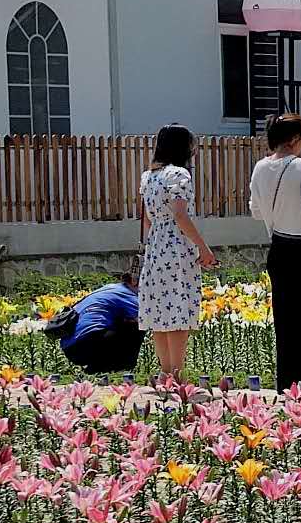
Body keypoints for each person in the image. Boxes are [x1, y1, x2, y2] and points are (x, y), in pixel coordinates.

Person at [249, 112, 301, 401]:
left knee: (286, 318)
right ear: (296, 138)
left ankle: (289, 383)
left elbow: (255, 210)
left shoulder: (260, 167)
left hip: (279, 247)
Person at [138, 124, 214, 381]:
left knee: (159, 312)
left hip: (155, 247)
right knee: (179, 309)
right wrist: (203, 248)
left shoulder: (148, 176)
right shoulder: (179, 175)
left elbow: (146, 219)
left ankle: (165, 374)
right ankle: (178, 375)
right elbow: (180, 215)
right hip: (177, 248)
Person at [42, 273, 143, 374]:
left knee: (124, 323)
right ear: (135, 282)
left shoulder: (110, 288)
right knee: (137, 327)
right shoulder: (128, 295)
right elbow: (146, 321)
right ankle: (121, 369)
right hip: (87, 344)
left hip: (70, 348)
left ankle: (97, 369)